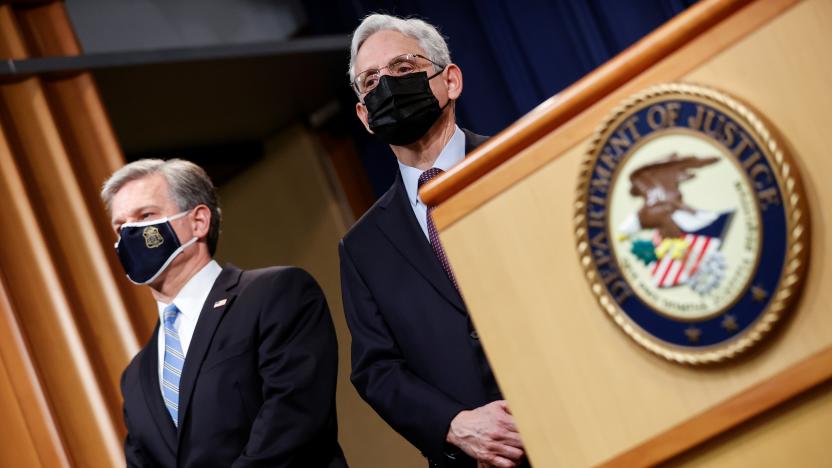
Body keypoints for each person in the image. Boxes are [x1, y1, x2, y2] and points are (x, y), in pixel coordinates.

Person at [339, 14, 527, 468]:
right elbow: (377, 370)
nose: (387, 85)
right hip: (477, 459)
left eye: (403, 69)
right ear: (365, 115)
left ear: (451, 80)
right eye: (371, 81)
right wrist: (454, 424)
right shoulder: (362, 247)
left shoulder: (522, 163)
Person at [102, 159, 347, 468]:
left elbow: (293, 417)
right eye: (120, 227)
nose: (130, 235)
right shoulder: (136, 377)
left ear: (199, 221)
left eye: (146, 216)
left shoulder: (273, 294)